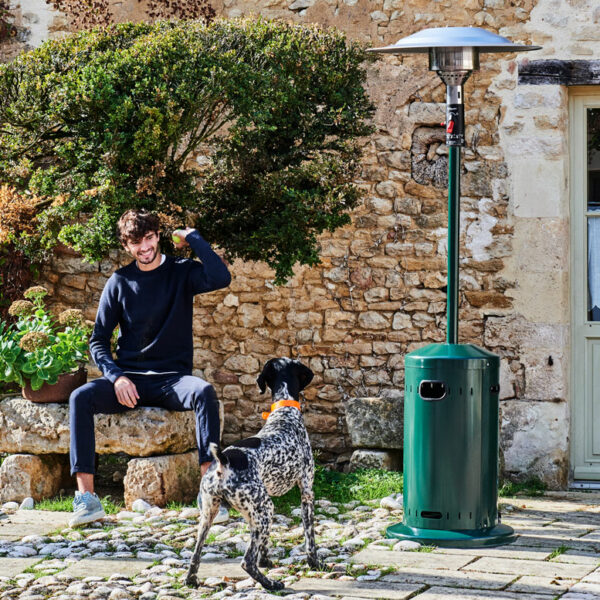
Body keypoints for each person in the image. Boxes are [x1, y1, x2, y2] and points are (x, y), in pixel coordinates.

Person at [68, 209, 231, 527]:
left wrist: (194, 238)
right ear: (126, 246)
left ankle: (209, 492)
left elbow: (221, 277)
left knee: (204, 392)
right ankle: (86, 500)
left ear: (158, 236)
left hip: (172, 381)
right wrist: (116, 377)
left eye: (148, 238)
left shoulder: (182, 272)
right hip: (129, 381)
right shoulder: (120, 282)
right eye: (135, 242)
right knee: (80, 398)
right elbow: (98, 340)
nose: (144, 247)